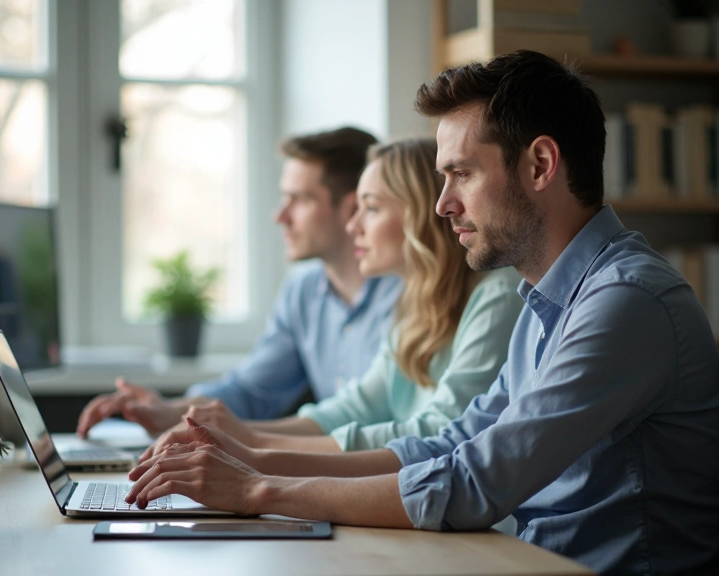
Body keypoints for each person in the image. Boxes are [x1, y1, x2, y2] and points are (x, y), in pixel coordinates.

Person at [122, 51, 719, 576]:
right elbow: (450, 442)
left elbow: (473, 483)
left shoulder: (624, 302)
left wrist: (260, 489)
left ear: (540, 165)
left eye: (461, 174)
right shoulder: (546, 301)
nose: (442, 205)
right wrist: (251, 462)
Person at [144, 139, 522, 456]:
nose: (353, 225)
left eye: (370, 209)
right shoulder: (416, 302)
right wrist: (235, 434)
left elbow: (443, 432)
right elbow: (357, 406)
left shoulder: (496, 296)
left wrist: (257, 443)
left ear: (420, 216)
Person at [76, 127, 402, 438]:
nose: (280, 216)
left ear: (351, 207)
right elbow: (251, 391)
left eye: (299, 199)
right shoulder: (302, 293)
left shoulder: (410, 293)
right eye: (284, 198)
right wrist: (171, 412)